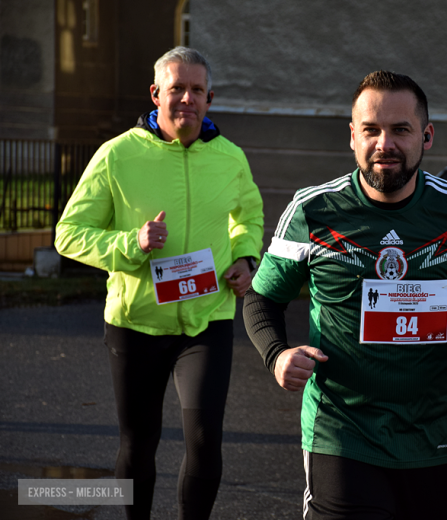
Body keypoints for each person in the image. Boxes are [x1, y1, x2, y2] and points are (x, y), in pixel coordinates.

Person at [243, 70, 447, 520]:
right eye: (371, 130)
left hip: (434, 437)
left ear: (427, 135)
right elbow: (261, 298)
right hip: (341, 434)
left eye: (401, 130)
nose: (386, 143)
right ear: (352, 136)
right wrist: (277, 355)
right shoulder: (312, 210)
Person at [55, 47, 264, 520]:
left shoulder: (230, 158)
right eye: (176, 89)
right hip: (136, 323)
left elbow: (247, 216)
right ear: (156, 94)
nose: (186, 98)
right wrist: (132, 242)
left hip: (207, 317)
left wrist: (246, 256)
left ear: (210, 99)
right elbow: (67, 234)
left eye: (196, 90)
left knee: (206, 440)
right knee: (138, 443)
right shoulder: (118, 154)